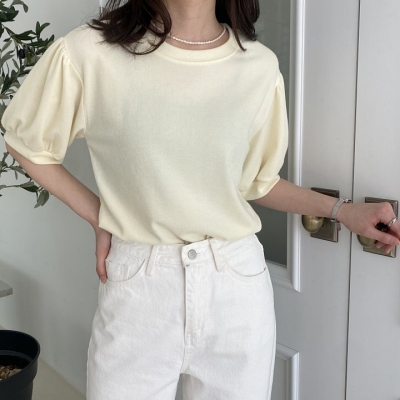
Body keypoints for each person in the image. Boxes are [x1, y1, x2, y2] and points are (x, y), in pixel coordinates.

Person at [2, 0, 399, 399]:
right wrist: (98, 214)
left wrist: (342, 211)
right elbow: (26, 142)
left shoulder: (258, 67)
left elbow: (258, 182)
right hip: (139, 288)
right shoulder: (91, 53)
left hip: (236, 288)